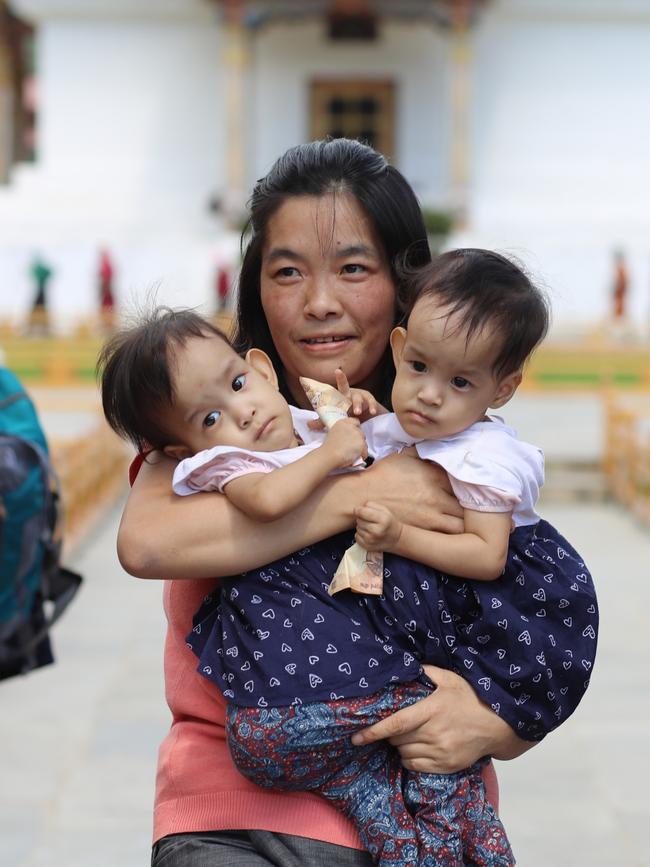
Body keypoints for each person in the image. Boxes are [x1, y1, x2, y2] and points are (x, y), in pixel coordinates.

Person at [115, 139, 532, 867]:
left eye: (353, 268)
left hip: (426, 820)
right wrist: (360, 493)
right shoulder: (215, 436)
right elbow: (147, 543)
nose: (318, 303)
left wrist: (505, 723)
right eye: (286, 272)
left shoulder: (466, 447)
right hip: (235, 820)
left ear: (407, 284)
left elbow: (528, 616)